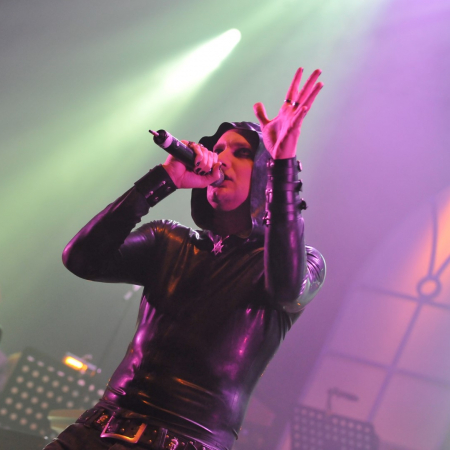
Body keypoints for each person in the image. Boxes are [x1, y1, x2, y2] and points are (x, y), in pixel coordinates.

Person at [44, 68, 326, 450]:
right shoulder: (168, 239)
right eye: (219, 149)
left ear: (265, 174)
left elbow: (286, 287)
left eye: (242, 153)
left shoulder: (303, 262)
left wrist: (282, 163)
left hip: (186, 442)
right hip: (97, 429)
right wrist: (164, 177)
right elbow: (81, 259)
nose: (222, 159)